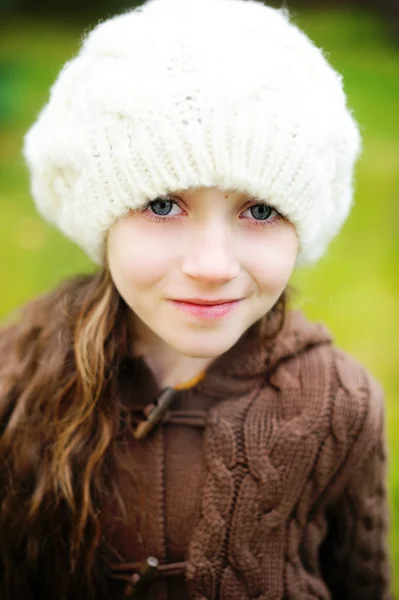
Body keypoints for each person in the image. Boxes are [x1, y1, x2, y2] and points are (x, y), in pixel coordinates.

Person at [0, 0, 392, 598]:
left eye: (260, 210)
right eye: (162, 205)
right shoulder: (15, 380)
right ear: (102, 221)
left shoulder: (339, 404)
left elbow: (361, 576)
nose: (212, 266)